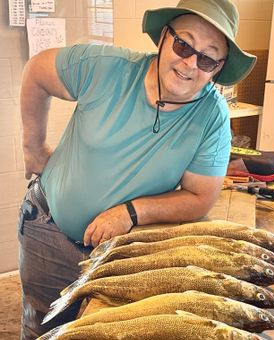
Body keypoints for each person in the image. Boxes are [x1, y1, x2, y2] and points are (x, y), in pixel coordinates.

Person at [18, 0, 256, 338]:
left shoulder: (211, 116)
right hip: (50, 232)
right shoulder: (106, 68)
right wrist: (33, 147)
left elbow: (201, 196)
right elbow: (37, 71)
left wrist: (130, 212)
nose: (190, 64)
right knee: (43, 328)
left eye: (206, 58)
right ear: (163, 37)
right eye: (183, 44)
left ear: (218, 68)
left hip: (125, 253)